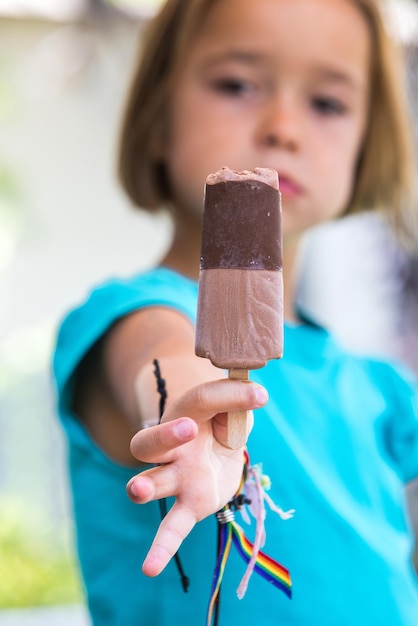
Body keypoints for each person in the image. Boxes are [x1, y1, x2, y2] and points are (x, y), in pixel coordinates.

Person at [52, 0, 418, 624]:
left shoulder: (379, 389)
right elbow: (159, 358)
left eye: (327, 102)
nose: (284, 126)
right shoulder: (129, 318)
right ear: (159, 116)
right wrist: (187, 421)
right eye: (237, 84)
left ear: (367, 145)